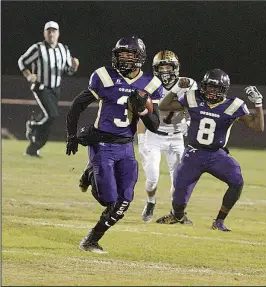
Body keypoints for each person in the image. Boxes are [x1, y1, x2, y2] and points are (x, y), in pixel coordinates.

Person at [66, 36, 163, 253]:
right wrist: (72, 135)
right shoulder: (103, 76)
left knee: (124, 200)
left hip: (127, 146)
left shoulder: (151, 83)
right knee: (107, 198)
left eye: (130, 55)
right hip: (102, 144)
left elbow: (154, 125)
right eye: (121, 55)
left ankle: (91, 240)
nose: (125, 59)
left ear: (140, 58)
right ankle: (91, 173)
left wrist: (143, 110)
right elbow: (77, 106)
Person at [156, 69, 264, 231]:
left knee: (237, 182)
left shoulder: (234, 105)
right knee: (179, 190)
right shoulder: (193, 97)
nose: (211, 92)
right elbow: (164, 106)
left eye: (216, 88)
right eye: (209, 87)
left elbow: (258, 127)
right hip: (193, 153)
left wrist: (258, 103)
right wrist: (176, 89)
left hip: (216, 155)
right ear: (203, 86)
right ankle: (177, 215)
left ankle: (219, 221)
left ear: (224, 89)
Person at [137, 50, 197, 222]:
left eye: (168, 66)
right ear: (155, 69)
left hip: (177, 137)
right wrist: (141, 141)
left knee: (178, 181)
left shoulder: (189, 84)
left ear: (175, 68)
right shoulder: (149, 84)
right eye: (161, 67)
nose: (165, 71)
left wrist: (190, 124)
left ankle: (174, 212)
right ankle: (150, 201)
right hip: (154, 136)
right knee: (152, 178)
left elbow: (196, 109)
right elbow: (142, 113)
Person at [18, 21, 79, 157]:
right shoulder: (38, 48)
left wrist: (74, 67)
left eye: (54, 31)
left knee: (49, 120)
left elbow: (67, 70)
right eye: (48, 31)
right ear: (44, 33)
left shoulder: (63, 49)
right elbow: (22, 61)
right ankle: (33, 125)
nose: (51, 34)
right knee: (52, 115)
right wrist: (29, 75)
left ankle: (33, 148)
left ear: (58, 33)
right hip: (41, 86)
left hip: (55, 89)